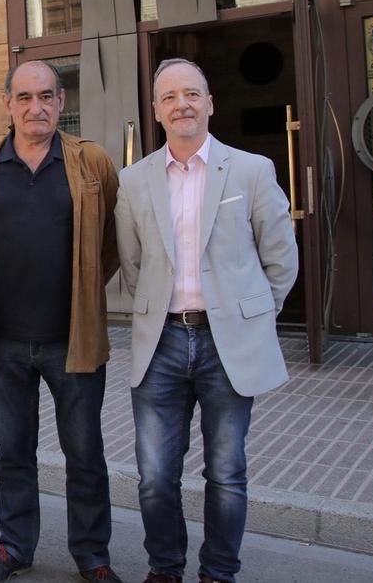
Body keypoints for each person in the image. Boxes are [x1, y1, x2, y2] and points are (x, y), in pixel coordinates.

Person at [114, 58, 298, 583]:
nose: (182, 105)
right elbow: (132, 265)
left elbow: (281, 259)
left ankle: (218, 572)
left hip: (227, 344)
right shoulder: (133, 181)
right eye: (170, 97)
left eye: (192, 93)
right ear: (156, 111)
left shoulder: (251, 170)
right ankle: (165, 569)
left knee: (227, 473)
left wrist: (252, 317)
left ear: (210, 102)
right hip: (162, 342)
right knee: (154, 476)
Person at [0, 60, 122, 583]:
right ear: (7, 103)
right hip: (4, 339)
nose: (36, 107)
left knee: (85, 455)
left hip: (72, 339)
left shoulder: (91, 162)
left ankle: (92, 556)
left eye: (46, 96)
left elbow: (112, 244)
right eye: (25, 97)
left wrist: (84, 287)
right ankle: (14, 547)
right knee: (12, 454)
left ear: (62, 100)